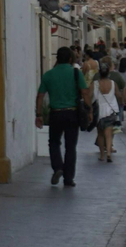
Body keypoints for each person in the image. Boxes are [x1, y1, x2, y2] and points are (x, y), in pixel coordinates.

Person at [37, 47, 90, 188]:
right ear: (71, 59)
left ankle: (58, 167)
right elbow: (85, 92)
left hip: (55, 113)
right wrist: (89, 109)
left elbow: (40, 96)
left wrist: (39, 115)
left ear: (57, 58)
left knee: (54, 142)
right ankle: (68, 178)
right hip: (72, 113)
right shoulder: (75, 73)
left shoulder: (48, 75)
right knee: (71, 147)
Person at [91, 58, 126, 163]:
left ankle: (102, 155)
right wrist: (121, 102)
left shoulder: (95, 84)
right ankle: (109, 154)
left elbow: (90, 96)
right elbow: (119, 96)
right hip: (111, 110)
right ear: (108, 73)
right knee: (109, 133)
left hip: (99, 111)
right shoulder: (112, 83)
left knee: (100, 134)